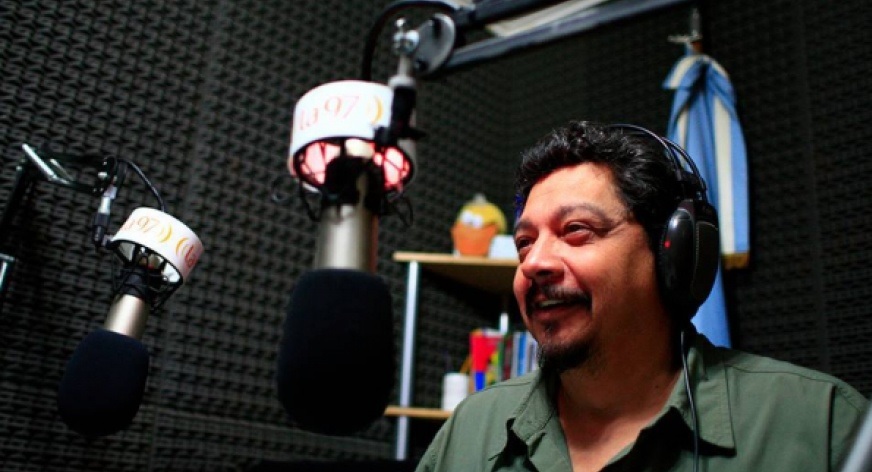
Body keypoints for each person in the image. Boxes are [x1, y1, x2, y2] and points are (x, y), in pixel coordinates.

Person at [415, 121, 868, 472]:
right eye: (525, 243)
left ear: (671, 252)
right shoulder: (470, 431)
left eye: (576, 230)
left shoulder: (821, 425)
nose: (533, 263)